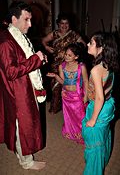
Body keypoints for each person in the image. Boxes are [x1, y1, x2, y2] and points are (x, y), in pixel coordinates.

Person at [0, 1, 47, 170]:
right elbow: (11, 72)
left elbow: (21, 60)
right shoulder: (6, 42)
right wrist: (35, 60)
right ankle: (26, 162)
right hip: (17, 92)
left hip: (24, 87)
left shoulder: (15, 35)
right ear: (14, 19)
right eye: (26, 19)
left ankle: (24, 156)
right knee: (23, 126)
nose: (30, 24)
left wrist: (37, 60)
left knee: (25, 124)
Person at [82, 32, 119, 175]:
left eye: (91, 43)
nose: (87, 44)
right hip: (108, 105)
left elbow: (99, 98)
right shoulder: (108, 63)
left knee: (94, 141)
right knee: (103, 134)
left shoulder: (96, 69)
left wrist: (92, 119)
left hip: (100, 109)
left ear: (101, 48)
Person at [42, 13, 86, 114]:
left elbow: (83, 44)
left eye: (66, 23)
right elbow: (43, 40)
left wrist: (76, 49)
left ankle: (70, 108)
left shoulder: (73, 34)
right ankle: (55, 107)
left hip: (70, 65)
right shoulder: (54, 34)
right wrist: (46, 47)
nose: (64, 25)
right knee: (56, 86)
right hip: (57, 65)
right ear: (58, 24)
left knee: (69, 86)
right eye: (62, 23)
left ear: (69, 24)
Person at [47, 43, 88, 144]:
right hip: (66, 95)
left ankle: (82, 133)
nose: (66, 57)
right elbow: (63, 82)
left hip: (77, 95)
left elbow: (86, 81)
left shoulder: (81, 67)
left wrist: (86, 96)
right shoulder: (62, 66)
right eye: (66, 54)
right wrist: (56, 76)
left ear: (76, 56)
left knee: (80, 115)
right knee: (69, 116)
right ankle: (71, 132)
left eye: (70, 55)